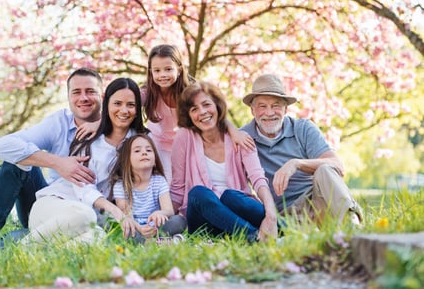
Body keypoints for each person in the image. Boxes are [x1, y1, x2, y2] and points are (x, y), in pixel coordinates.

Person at [0, 68, 103, 249]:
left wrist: (103, 123)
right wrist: (58, 163)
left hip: (92, 210)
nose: (83, 98)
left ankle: (20, 242)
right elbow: (2, 146)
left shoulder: (117, 125)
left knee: (93, 234)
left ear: (103, 96)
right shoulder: (59, 123)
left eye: (91, 91)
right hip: (49, 207)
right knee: (16, 162)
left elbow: (141, 101)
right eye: (76, 92)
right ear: (68, 97)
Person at [22, 77, 148, 244]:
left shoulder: (141, 143)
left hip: (89, 221)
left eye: (130, 105)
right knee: (85, 215)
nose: (124, 110)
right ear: (107, 104)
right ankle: (23, 247)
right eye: (117, 103)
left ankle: (42, 255)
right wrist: (115, 211)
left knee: (98, 237)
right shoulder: (89, 138)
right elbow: (84, 187)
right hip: (55, 207)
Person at [240, 74, 362, 226]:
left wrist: (296, 164)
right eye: (262, 106)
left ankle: (352, 222)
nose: (269, 113)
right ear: (253, 110)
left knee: (325, 169)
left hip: (317, 203)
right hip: (285, 216)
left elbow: (337, 166)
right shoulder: (243, 139)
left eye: (276, 105)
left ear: (286, 109)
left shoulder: (303, 128)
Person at [170, 82, 278, 242]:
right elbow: (177, 189)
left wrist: (271, 215)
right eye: (194, 109)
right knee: (198, 193)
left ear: (217, 106)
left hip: (236, 214)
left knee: (231, 196)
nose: (202, 112)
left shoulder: (241, 139)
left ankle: (281, 229)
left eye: (207, 104)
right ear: (189, 116)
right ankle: (254, 237)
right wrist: (161, 218)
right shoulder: (184, 137)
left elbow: (258, 179)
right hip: (204, 222)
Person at [142, 44, 254, 183]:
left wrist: (233, 131)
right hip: (158, 144)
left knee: (188, 181)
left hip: (186, 143)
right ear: (150, 71)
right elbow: (130, 101)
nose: (162, 75)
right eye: (157, 70)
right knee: (165, 182)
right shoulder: (148, 92)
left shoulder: (190, 90)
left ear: (179, 69)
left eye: (168, 69)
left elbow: (213, 113)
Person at [109, 134, 187, 243]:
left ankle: (154, 240)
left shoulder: (159, 181)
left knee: (179, 221)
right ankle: (162, 241)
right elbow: (126, 216)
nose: (144, 152)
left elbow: (169, 210)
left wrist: (160, 213)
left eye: (149, 150)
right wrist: (139, 228)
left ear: (155, 160)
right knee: (122, 229)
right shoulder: (121, 186)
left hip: (156, 227)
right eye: (137, 151)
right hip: (135, 227)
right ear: (127, 160)